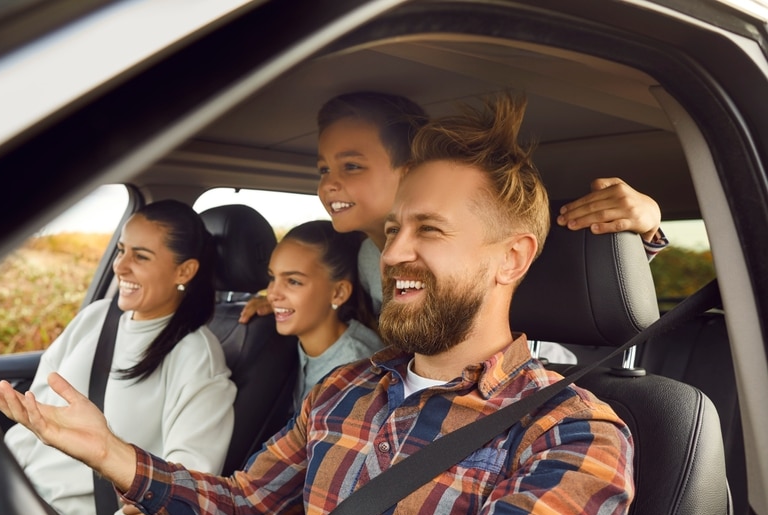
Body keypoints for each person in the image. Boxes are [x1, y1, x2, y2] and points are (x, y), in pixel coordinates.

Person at [0, 93, 634, 515]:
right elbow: (242, 510)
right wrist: (112, 454)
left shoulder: (572, 435)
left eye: (428, 230)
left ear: (511, 259)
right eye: (395, 228)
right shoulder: (347, 390)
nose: (398, 251)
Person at [240, 91, 668, 364]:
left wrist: (645, 231)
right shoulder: (357, 254)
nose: (329, 182)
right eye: (322, 169)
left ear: (409, 171)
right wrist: (284, 301)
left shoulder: (483, 247)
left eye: (351, 166)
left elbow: (560, 275)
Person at [2, 199, 237, 515]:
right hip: (12, 504)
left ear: (184, 271)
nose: (120, 266)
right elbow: (33, 411)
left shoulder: (195, 357)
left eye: (140, 257)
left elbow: (181, 488)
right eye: (121, 250)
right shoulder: (95, 319)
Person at [265, 220, 383, 410]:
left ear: (338, 293)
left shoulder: (355, 371)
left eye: (293, 282)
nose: (272, 294)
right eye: (273, 278)